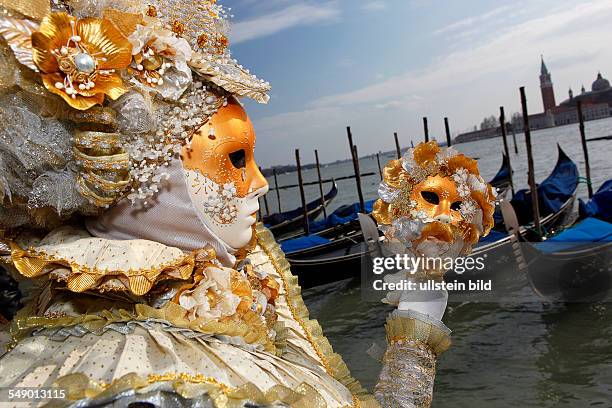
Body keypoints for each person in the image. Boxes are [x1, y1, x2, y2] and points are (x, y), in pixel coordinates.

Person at [0, 1, 496, 407]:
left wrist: (420, 301)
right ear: (142, 176)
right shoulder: (145, 380)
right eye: (234, 158)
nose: (260, 183)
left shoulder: (224, 299)